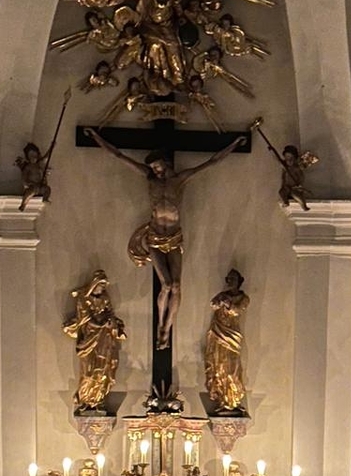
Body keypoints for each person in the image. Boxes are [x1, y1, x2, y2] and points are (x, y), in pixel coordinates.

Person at [83, 125, 243, 350]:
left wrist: (234, 144)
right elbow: (119, 155)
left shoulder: (180, 179)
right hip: (155, 237)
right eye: (152, 168)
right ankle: (161, 325)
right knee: (166, 285)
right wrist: (96, 137)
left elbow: (212, 162)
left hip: (174, 238)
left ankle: (167, 328)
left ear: (165, 162)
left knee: (176, 285)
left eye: (157, 166)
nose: (155, 170)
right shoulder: (150, 179)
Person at [64, 269, 127, 412]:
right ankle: (85, 399)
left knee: (103, 370)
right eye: (101, 285)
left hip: (104, 339)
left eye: (104, 286)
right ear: (94, 284)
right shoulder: (83, 299)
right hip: (89, 340)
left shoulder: (105, 298)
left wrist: (110, 323)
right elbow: (86, 318)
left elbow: (110, 313)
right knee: (88, 372)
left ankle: (98, 399)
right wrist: (101, 323)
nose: (102, 289)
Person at [204, 268, 250, 411]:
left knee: (233, 368)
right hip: (218, 334)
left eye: (233, 279)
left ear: (239, 282)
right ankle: (222, 400)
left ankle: (234, 399)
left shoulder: (243, 298)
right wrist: (221, 301)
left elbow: (237, 311)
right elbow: (213, 305)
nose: (230, 282)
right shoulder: (222, 295)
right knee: (219, 366)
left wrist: (227, 303)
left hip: (232, 336)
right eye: (228, 279)